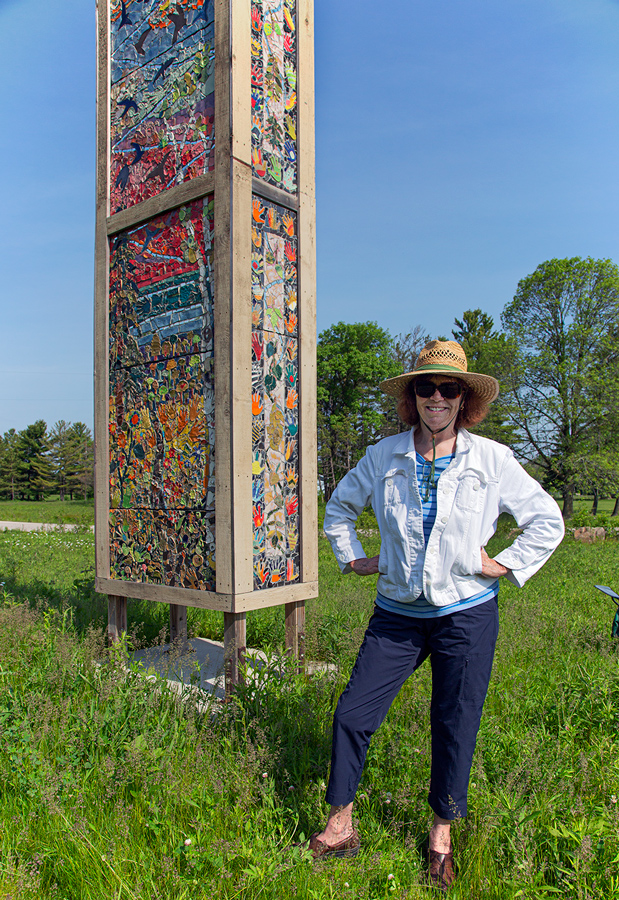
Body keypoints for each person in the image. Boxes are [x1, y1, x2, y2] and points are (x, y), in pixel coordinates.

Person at [308, 340, 564, 891]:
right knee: (352, 714)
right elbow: (338, 508)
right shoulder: (384, 456)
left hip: (465, 616)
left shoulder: (492, 460)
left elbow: (546, 519)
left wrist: (503, 564)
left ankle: (440, 836)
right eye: (426, 387)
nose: (437, 398)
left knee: (453, 724)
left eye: (449, 388)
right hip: (397, 615)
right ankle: (340, 824)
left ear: (465, 398)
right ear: (413, 396)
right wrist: (354, 557)